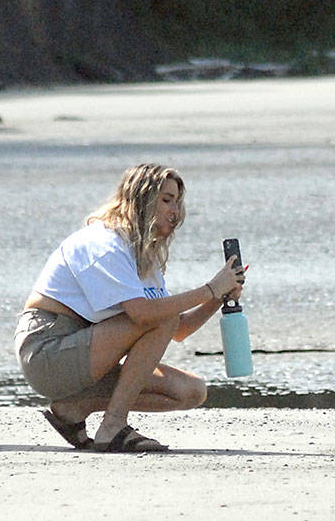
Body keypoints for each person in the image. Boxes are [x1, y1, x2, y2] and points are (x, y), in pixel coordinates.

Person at [16, 164, 247, 452]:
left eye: (178, 202)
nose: (175, 211)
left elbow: (179, 329)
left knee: (190, 391)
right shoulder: (104, 243)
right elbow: (145, 316)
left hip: (84, 356)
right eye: (166, 200)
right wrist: (209, 288)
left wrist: (217, 298)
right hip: (48, 352)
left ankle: (75, 408)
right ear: (141, 199)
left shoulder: (141, 254)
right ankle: (113, 426)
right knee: (158, 317)